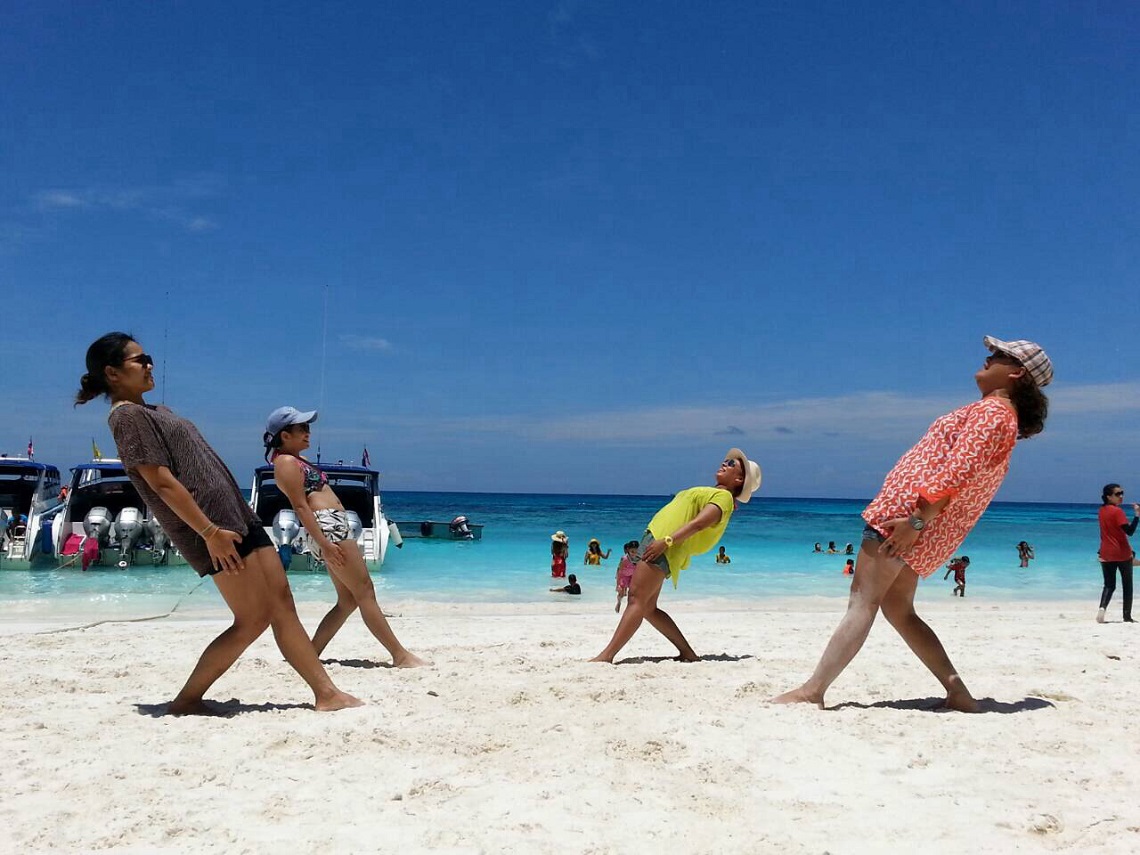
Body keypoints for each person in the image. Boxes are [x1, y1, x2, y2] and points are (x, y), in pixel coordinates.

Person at [76, 332, 361, 714]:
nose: (149, 365)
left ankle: (326, 693)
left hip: (235, 515)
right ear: (112, 372)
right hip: (211, 526)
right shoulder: (126, 416)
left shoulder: (156, 410)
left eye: (148, 358)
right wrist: (208, 532)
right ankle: (186, 700)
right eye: (139, 360)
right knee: (252, 619)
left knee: (282, 603)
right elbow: (160, 481)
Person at [774, 336, 1051, 712]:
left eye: (999, 355)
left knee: (862, 601)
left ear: (1016, 372)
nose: (988, 358)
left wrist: (916, 522)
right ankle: (957, 692)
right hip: (924, 524)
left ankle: (813, 690)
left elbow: (957, 472)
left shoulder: (992, 413)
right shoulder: (1001, 416)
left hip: (907, 519)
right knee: (899, 610)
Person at [265, 406, 426, 666]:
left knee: (348, 600)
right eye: (302, 428)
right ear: (285, 435)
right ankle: (400, 655)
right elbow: (301, 507)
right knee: (365, 591)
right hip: (327, 526)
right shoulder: (285, 463)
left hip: (332, 525)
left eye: (308, 427)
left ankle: (309, 654)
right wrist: (324, 544)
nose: (308, 433)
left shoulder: (296, 460)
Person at [591, 448, 761, 663]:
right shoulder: (715, 493)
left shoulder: (724, 497)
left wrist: (666, 541)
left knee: (636, 599)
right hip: (658, 540)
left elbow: (699, 524)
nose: (724, 463)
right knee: (648, 608)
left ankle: (607, 656)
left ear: (739, 479)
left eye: (731, 464)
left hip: (664, 545)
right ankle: (688, 653)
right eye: (726, 460)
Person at [1096, 483, 1140, 624]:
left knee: (1109, 585)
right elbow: (1130, 532)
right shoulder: (1117, 511)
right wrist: (1137, 515)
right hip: (1121, 553)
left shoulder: (1101, 511)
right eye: (1117, 494)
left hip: (1105, 552)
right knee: (1127, 586)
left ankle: (1102, 608)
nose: (1121, 496)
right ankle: (1127, 617)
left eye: (1122, 493)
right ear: (1109, 496)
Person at [614, 540, 638, 612]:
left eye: (636, 552)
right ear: (628, 550)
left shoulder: (639, 558)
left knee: (633, 592)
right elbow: (620, 571)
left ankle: (630, 606)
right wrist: (618, 584)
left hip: (632, 576)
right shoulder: (625, 559)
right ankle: (619, 602)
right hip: (623, 576)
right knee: (621, 593)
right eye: (632, 551)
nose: (634, 554)